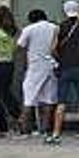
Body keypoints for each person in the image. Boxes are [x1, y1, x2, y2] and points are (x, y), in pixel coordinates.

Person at [51, 1, 79, 145]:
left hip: (64, 68)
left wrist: (60, 58)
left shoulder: (59, 27)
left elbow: (52, 49)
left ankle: (56, 133)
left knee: (61, 102)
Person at [18, 9, 59, 139]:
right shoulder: (55, 28)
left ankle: (25, 131)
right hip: (51, 66)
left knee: (28, 99)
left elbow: (20, 46)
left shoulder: (29, 29)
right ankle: (44, 130)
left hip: (35, 67)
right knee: (48, 99)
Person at [0, 6, 21, 135]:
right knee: (6, 93)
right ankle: (18, 115)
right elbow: (15, 49)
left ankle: (1, 125)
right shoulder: (12, 32)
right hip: (9, 64)